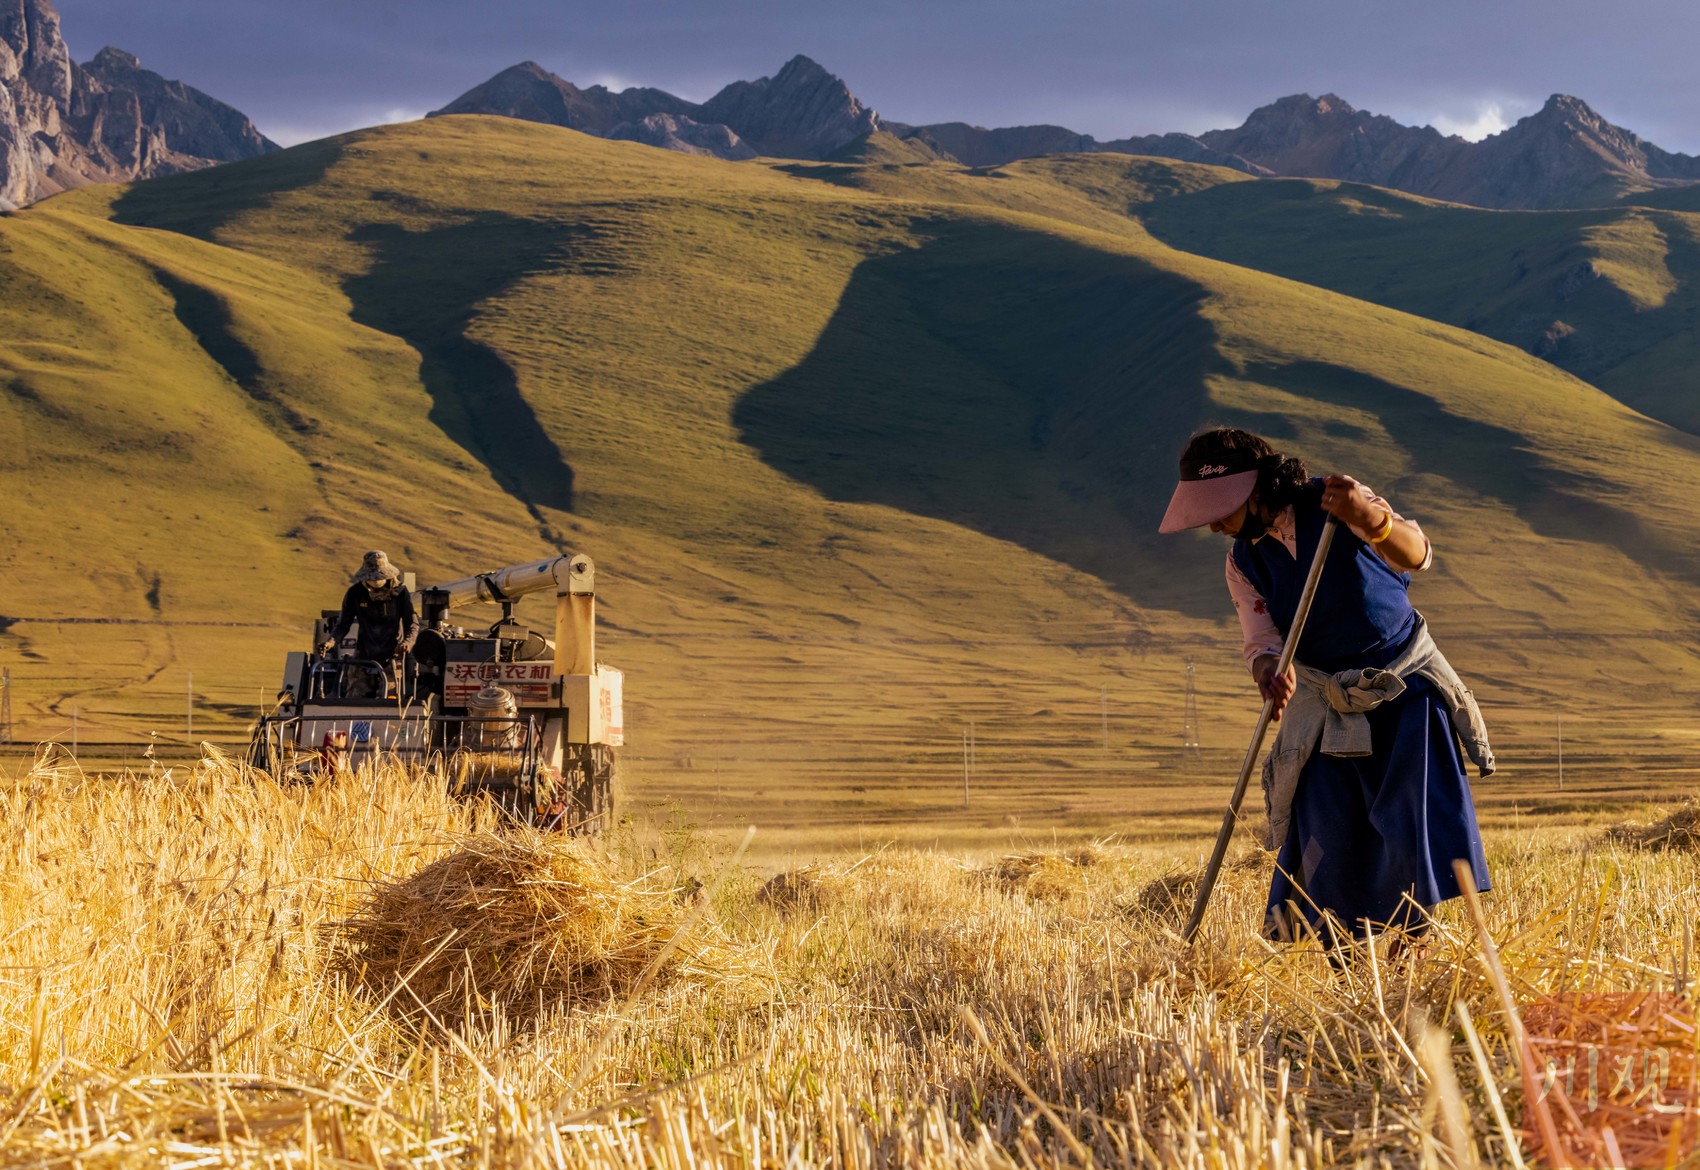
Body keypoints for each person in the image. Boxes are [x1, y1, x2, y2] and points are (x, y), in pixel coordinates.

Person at [1159, 426, 1494, 952]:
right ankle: (1347, 959)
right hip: (1325, 704)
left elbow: (1417, 554)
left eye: (1220, 508)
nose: (1214, 525)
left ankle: (1413, 949)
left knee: (1410, 824)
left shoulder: (1339, 505)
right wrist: (1269, 670)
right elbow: (1260, 639)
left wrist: (1369, 517)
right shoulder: (1241, 562)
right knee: (1325, 829)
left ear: (1255, 488)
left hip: (1404, 690)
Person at [320, 551, 418, 698]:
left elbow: (412, 624)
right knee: (354, 700)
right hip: (363, 656)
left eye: (379, 576)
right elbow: (343, 625)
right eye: (371, 577)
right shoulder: (355, 593)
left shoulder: (400, 593)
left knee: (388, 702)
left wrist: (407, 643)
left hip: (392, 657)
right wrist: (330, 642)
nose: (375, 581)